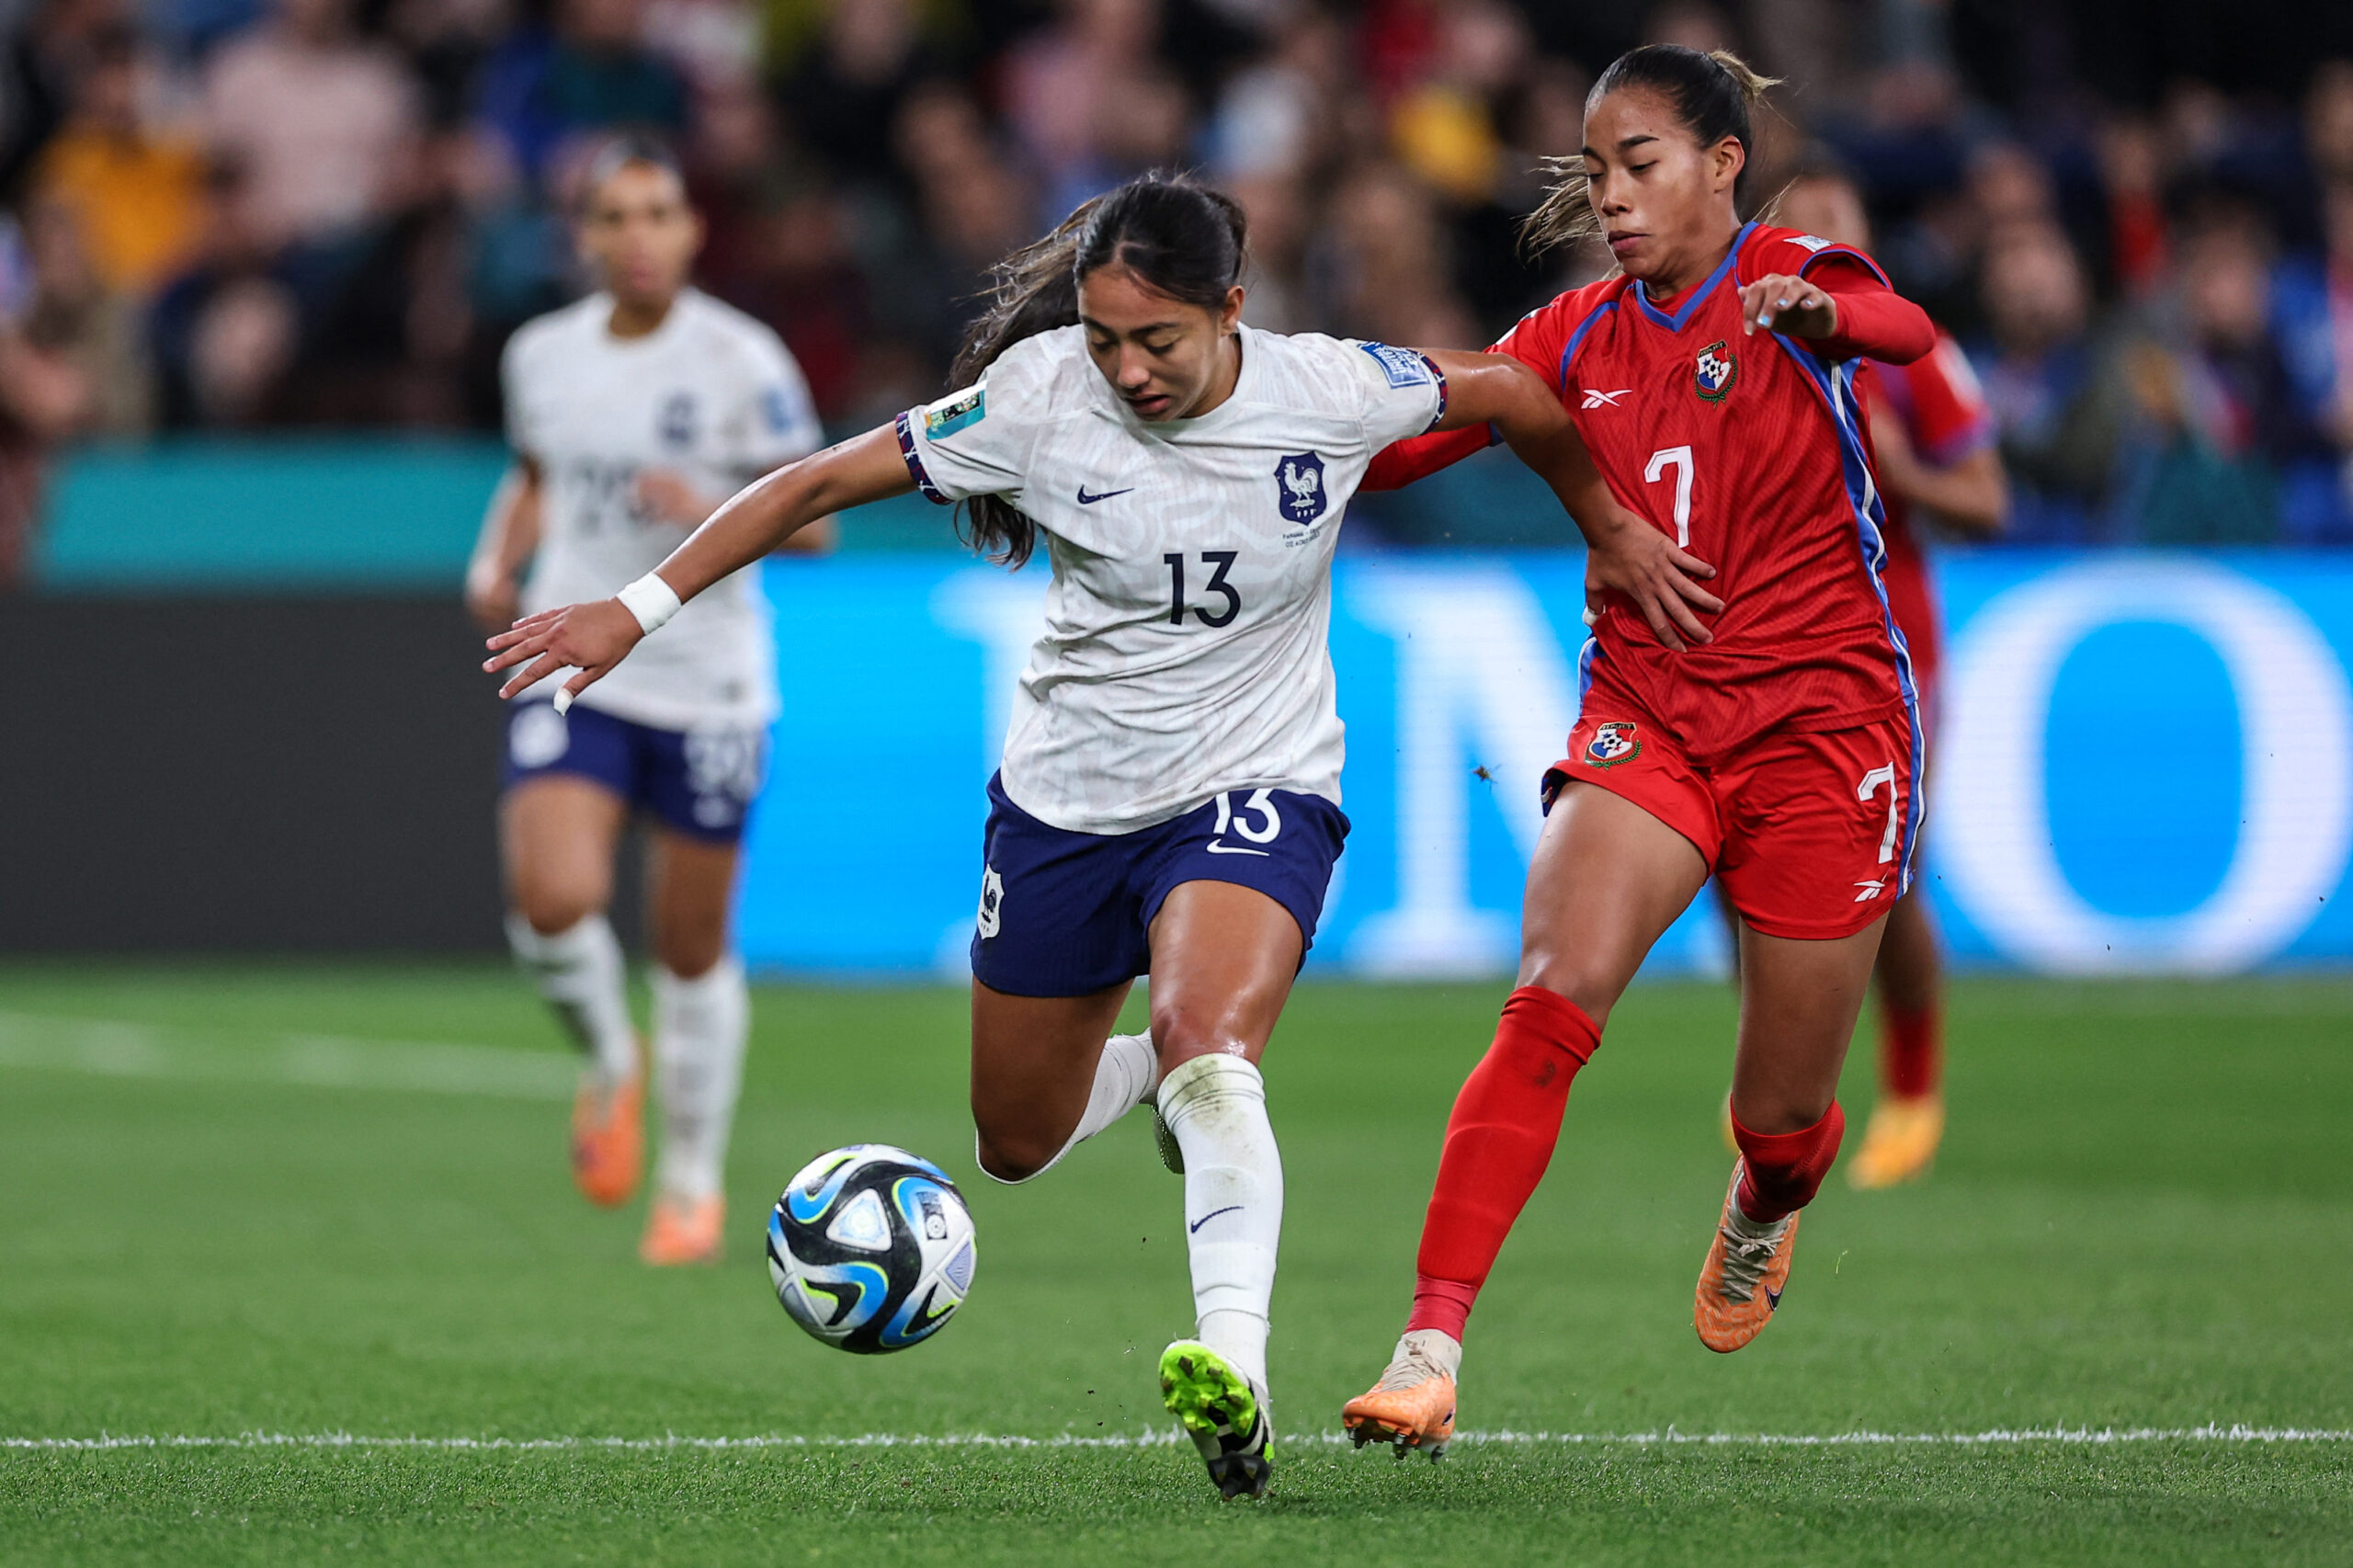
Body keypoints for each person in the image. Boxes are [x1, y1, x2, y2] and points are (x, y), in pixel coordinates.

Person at [483, 171, 1671, 1499]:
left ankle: (1237, 1370)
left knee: (1211, 1046)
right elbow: (818, 481)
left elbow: (1513, 394)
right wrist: (633, 608)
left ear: (1231, 307)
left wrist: (1610, 528)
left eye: (1155, 339)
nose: (1127, 368)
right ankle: (1160, 1075)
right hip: (1066, 801)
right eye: (1105, 337)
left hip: (1257, 779)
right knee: (1016, 1138)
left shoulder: (1331, 389)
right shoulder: (1039, 397)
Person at [1336, 46, 1938, 1458]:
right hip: (1652, 716)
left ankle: (1766, 1199)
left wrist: (1823, 315)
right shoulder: (1573, 334)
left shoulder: (1794, 273)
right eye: (1596, 170)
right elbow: (1416, 437)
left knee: (1780, 1115)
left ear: (1725, 163)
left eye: (1641, 163)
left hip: (1821, 732)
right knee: (1550, 998)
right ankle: (1429, 1347)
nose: (1611, 196)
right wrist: (1272, 429)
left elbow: (1900, 326)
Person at [464, 140, 827, 1267]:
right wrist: (496, 557)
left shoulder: (743, 358)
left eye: (657, 213)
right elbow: (535, 474)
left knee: (689, 945)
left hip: (708, 680)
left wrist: (710, 501)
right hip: (578, 654)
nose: (636, 235)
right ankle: (611, 1059)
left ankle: (688, 1181)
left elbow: (813, 520)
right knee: (553, 894)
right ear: (583, 236)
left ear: (690, 230)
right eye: (613, 216)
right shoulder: (541, 356)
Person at [1725, 162, 2006, 1188]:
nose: (1815, 255)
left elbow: (1989, 501)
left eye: (1836, 229)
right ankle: (1784, 1079)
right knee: (1733, 868)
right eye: (1797, 233)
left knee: (1888, 873)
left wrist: (1901, 471)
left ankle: (1912, 1085)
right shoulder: (1732, 341)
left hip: (1891, 640)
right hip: (1757, 644)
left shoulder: (1910, 356)